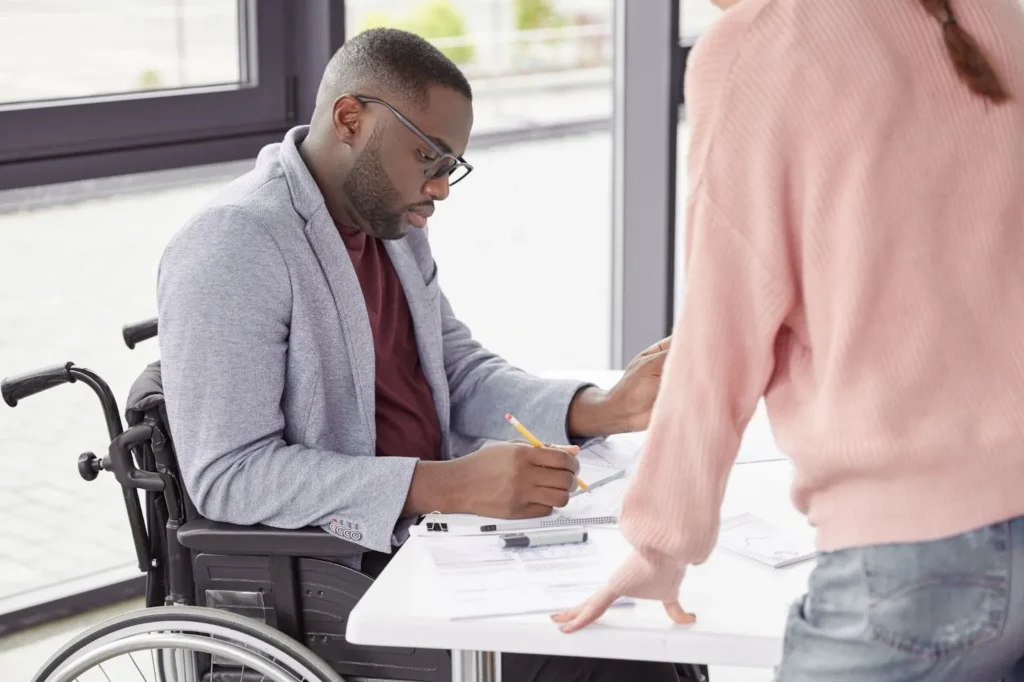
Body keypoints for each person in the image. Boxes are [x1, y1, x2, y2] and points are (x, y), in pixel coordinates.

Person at [157, 27, 691, 682]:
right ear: (350, 117)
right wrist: (444, 485)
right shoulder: (235, 243)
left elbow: (454, 369)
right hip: (347, 579)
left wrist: (596, 408)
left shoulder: (388, 221)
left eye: (450, 167)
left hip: (435, 538)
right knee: (610, 661)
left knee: (646, 622)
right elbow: (228, 472)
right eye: (429, 158)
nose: (440, 190)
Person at [553, 0, 1024, 680]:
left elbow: (722, 334)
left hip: (914, 557)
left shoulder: (757, 45)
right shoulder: (992, 15)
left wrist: (661, 543)